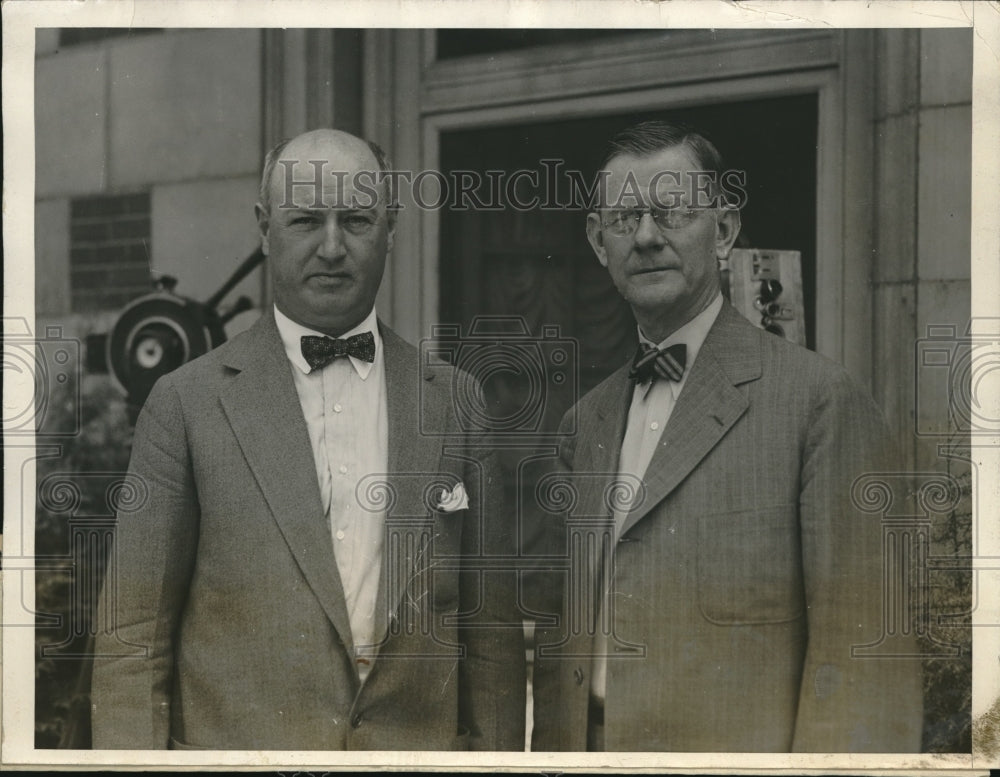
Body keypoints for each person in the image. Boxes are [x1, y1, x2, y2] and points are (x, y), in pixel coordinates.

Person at [91, 129, 525, 750]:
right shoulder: (185, 405)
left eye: (355, 220)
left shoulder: (455, 402)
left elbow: (493, 643)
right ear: (265, 231)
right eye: (304, 220)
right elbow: (131, 640)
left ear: (391, 230)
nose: (331, 247)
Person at [530, 120, 923, 752]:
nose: (648, 237)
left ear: (725, 230)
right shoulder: (587, 423)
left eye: (673, 212)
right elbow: (563, 646)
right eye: (625, 219)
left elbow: (865, 658)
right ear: (598, 243)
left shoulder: (818, 401)